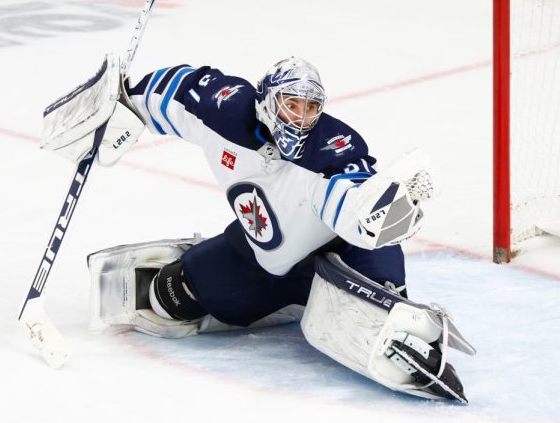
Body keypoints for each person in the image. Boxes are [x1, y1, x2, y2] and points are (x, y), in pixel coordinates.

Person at [69, 55, 473, 402]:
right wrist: (123, 101)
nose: (300, 117)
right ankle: (295, 297)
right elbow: (177, 90)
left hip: (341, 253)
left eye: (309, 108)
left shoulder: (334, 145)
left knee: (377, 305)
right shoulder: (225, 109)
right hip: (262, 258)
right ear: (266, 100)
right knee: (169, 297)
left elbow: (349, 198)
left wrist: (381, 210)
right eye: (290, 104)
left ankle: (388, 309)